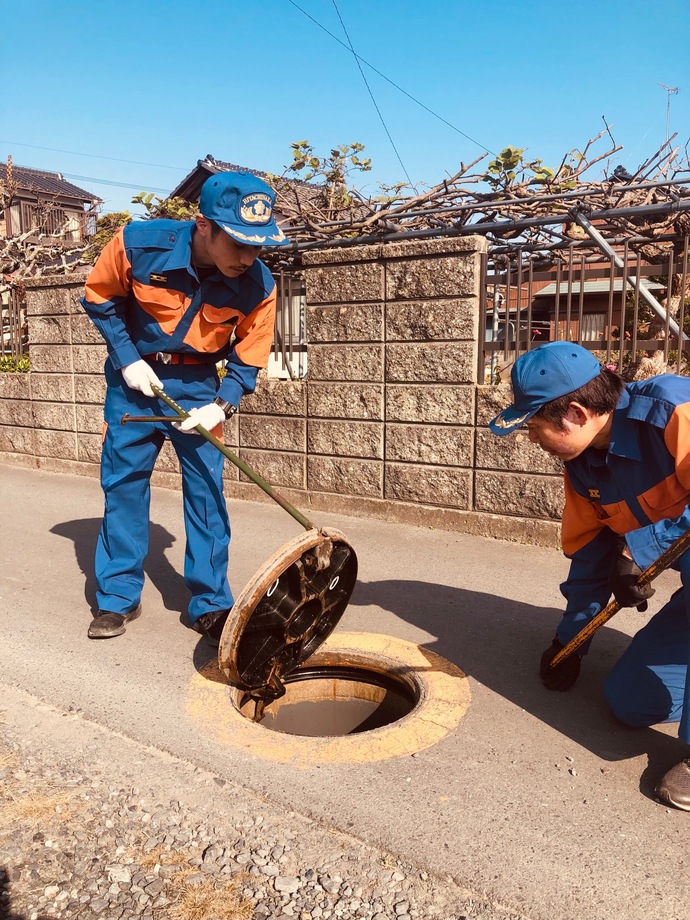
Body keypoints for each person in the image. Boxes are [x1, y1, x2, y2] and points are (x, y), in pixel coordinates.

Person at [81, 170, 289, 645]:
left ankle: (211, 603)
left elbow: (249, 355)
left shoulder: (258, 283)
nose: (249, 256)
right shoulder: (137, 244)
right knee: (124, 485)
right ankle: (117, 597)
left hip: (197, 385)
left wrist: (223, 405)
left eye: (259, 244)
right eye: (238, 242)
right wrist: (127, 357)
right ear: (203, 226)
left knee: (206, 492)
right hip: (135, 382)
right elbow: (98, 297)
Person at [490, 340, 690, 811]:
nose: (533, 441)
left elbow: (630, 548)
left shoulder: (674, 410)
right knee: (629, 701)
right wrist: (570, 640)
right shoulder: (582, 467)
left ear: (576, 413)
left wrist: (638, 548)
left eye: (535, 428)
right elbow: (588, 558)